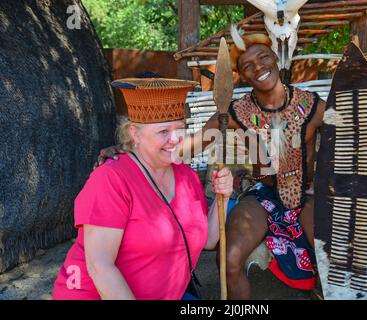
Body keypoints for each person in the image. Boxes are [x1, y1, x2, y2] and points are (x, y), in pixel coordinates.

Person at [98, 27, 326, 300]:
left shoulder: (313, 105)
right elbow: (187, 146)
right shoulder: (236, 112)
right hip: (264, 196)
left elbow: (356, 138)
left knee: (335, 260)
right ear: (242, 75)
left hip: (309, 195)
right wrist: (131, 150)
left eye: (264, 58)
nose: (259, 68)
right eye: (248, 66)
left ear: (276, 58)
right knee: (229, 259)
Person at [52, 77, 233, 300]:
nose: (175, 139)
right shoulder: (110, 179)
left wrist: (222, 197)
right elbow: (100, 267)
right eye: (163, 132)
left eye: (180, 128)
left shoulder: (187, 176)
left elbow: (208, 240)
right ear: (135, 134)